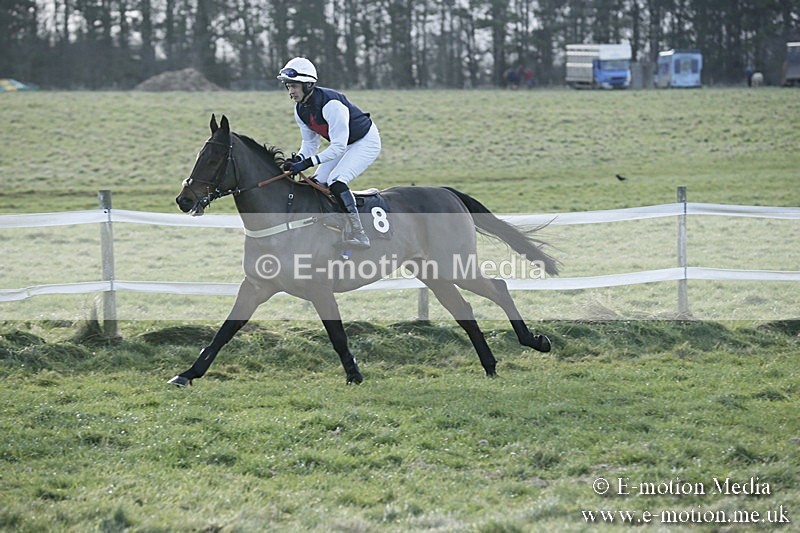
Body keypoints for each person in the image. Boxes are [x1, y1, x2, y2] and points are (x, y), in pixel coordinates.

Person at [277, 57, 380, 249]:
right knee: (316, 182)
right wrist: (299, 158)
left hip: (365, 141)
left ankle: (360, 234)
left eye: (294, 86)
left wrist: (307, 163)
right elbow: (309, 143)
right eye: (288, 86)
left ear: (308, 84)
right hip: (343, 144)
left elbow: (338, 147)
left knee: (337, 180)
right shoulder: (300, 110)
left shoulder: (331, 104)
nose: (291, 91)